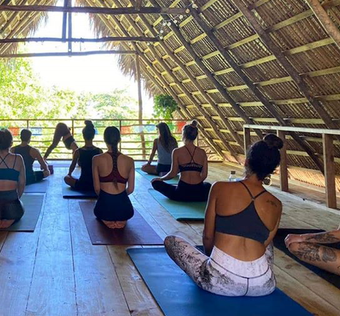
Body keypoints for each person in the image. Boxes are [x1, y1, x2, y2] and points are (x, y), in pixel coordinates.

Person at [164, 134, 284, 297]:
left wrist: (212, 258)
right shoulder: (276, 204)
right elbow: (264, 245)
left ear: (247, 162)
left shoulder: (219, 188)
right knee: (265, 242)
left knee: (171, 241)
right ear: (272, 170)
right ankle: (256, 274)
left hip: (219, 281)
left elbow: (207, 236)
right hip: (263, 285)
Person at [151, 120, 211, 202]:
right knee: (208, 186)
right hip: (199, 193)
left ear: (183, 135)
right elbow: (204, 175)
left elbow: (173, 173)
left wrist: (160, 179)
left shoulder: (177, 152)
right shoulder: (202, 152)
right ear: (195, 136)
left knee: (155, 183)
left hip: (181, 192)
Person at [92, 126, 135, 229]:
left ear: (105, 140)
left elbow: (97, 189)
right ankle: (121, 219)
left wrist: (107, 199)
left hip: (104, 208)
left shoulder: (96, 159)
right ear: (119, 140)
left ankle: (107, 219)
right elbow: (130, 189)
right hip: (125, 210)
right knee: (121, 208)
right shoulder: (130, 160)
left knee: (99, 210)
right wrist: (118, 197)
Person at [0, 129, 26, 228]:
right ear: (11, 143)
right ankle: (10, 219)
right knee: (21, 206)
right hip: (12, 203)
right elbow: (22, 183)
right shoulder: (18, 158)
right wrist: (17, 198)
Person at [65, 120, 102, 192]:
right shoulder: (99, 151)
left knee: (66, 178)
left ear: (83, 136)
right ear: (93, 136)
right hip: (95, 185)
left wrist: (69, 174)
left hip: (82, 184)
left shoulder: (78, 151)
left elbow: (72, 167)